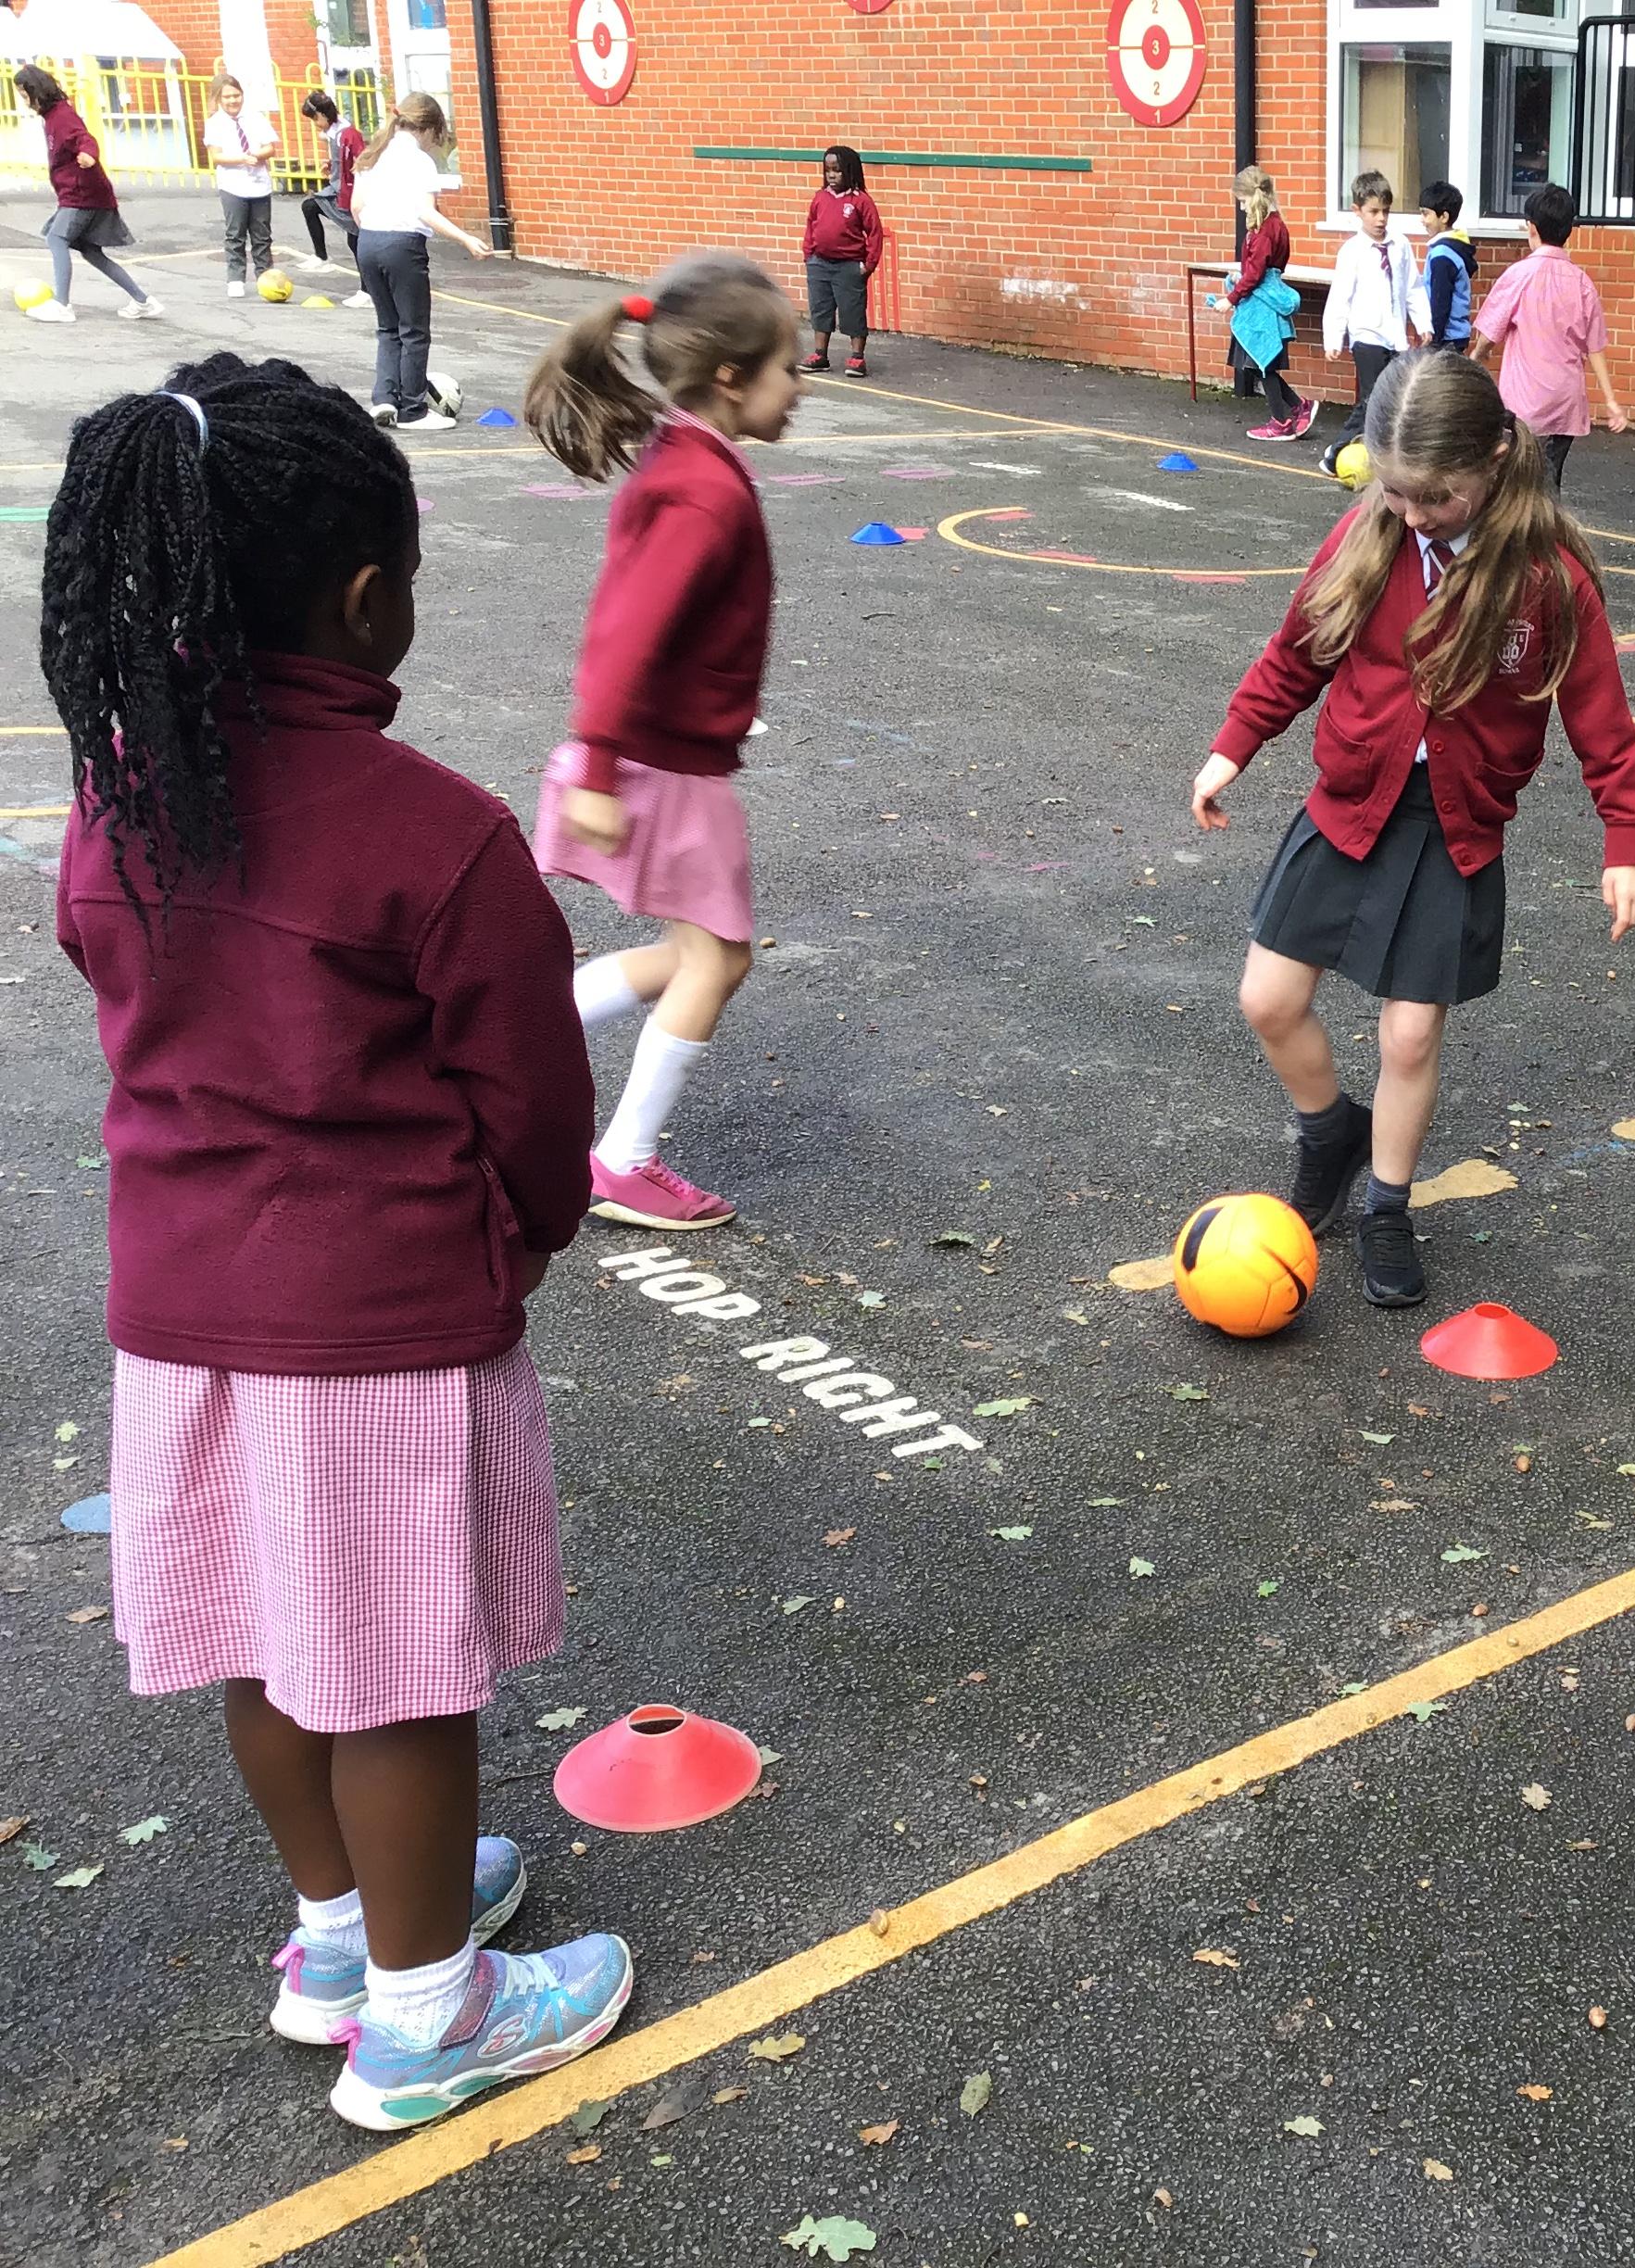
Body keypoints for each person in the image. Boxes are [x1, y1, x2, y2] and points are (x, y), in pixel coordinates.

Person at [44, 353, 632, 2132]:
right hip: (375, 1321)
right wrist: (522, 1237)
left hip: (181, 1314)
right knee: (395, 1674)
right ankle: (428, 2008)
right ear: (367, 598)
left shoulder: (124, 796)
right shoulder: (437, 839)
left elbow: (120, 987)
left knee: (266, 1635)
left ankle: (336, 1936)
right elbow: (530, 1102)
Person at [1193, 349, 1635, 1305]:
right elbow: (1296, 652)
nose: (1411, 514)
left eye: (1433, 496)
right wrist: (1233, 746)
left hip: (1454, 827)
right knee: (1268, 999)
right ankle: (1333, 1132)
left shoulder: (1548, 578)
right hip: (1348, 806)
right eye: (1395, 491)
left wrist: (1628, 841)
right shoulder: (1369, 535)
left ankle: (1387, 1208)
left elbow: (1602, 720)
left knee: (1408, 1037)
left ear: (1495, 458)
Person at [525, 254, 801, 1232]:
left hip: (658, 758)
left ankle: (505, 1043)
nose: (799, 387)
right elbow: (624, 629)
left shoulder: (691, 459)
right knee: (717, 960)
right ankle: (623, 1162)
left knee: (691, 952)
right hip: (661, 768)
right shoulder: (701, 491)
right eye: (788, 368)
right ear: (731, 376)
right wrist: (597, 766)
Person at [352, 94, 492, 431]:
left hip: (368, 241)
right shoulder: (419, 161)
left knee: (388, 327)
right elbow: (425, 212)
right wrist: (466, 239)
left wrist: (375, 233)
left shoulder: (374, 153)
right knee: (414, 331)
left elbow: (356, 207)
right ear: (428, 129)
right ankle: (413, 409)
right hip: (402, 245)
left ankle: (384, 398)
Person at [1471, 184, 1624, 491]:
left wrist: (1478, 355)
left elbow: (1490, 332)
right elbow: (1595, 346)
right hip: (1566, 402)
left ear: (1532, 228)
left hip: (1525, 403)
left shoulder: (1519, 275)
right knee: (1550, 481)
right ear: (1569, 230)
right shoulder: (1582, 282)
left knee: (1517, 484)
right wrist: (1611, 401)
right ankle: (1549, 521)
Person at [14, 65, 159, 322]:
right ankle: (143, 301)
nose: (26, 102)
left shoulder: (62, 116)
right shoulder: (52, 116)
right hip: (87, 193)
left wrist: (89, 155)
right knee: (91, 251)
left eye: (26, 96)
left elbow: (85, 139)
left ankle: (62, 305)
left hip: (82, 194)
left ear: (38, 91)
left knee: (57, 238)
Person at [1318, 170, 1421, 475]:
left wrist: (1423, 322)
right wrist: (1333, 338)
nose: (1381, 219)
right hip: (1367, 337)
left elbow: (1413, 287)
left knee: (1395, 399)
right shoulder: (1352, 251)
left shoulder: (1400, 245)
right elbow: (1340, 297)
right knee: (1372, 398)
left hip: (1395, 337)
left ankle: (1386, 459)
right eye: (1373, 212)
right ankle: (1336, 452)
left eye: (1385, 211)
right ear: (1357, 211)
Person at [1219, 164, 1310, 442]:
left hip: (1261, 306)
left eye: (1243, 201)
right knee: (1263, 363)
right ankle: (1298, 406)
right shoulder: (1277, 224)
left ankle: (1281, 420)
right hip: (1268, 297)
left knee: (1263, 363)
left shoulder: (1263, 231)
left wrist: (1231, 298)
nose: (1242, 207)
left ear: (1254, 197)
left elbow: (1256, 274)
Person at [800, 144, 885, 379]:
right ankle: (820, 355)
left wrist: (868, 264)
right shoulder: (820, 198)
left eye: (837, 170)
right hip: (819, 264)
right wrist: (809, 255)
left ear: (850, 171)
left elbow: (875, 233)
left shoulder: (860, 200)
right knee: (820, 309)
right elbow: (811, 226)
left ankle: (857, 357)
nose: (832, 175)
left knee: (852, 311)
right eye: (828, 170)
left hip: (849, 266)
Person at [204, 74, 277, 298]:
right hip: (233, 185)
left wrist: (256, 155)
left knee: (262, 234)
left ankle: (266, 276)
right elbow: (216, 156)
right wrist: (242, 158)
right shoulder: (215, 123)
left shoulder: (255, 118)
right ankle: (236, 278)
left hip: (259, 184)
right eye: (227, 97)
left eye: (236, 95)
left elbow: (270, 148)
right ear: (219, 98)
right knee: (235, 233)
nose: (233, 100)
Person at [296, 90, 364, 284]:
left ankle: (368, 290)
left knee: (355, 239)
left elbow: (360, 159)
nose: (315, 124)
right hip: (340, 188)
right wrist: (332, 164)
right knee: (310, 207)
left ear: (322, 115)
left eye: (315, 119)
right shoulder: (335, 132)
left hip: (348, 193)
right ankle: (321, 257)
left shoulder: (347, 133)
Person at [1421, 180, 1478, 352]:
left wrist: (1434, 342)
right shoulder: (1455, 247)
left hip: (1446, 339)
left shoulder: (1442, 255)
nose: (1422, 220)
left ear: (1444, 217)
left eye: (1426, 214)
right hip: (1456, 335)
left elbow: (1441, 301)